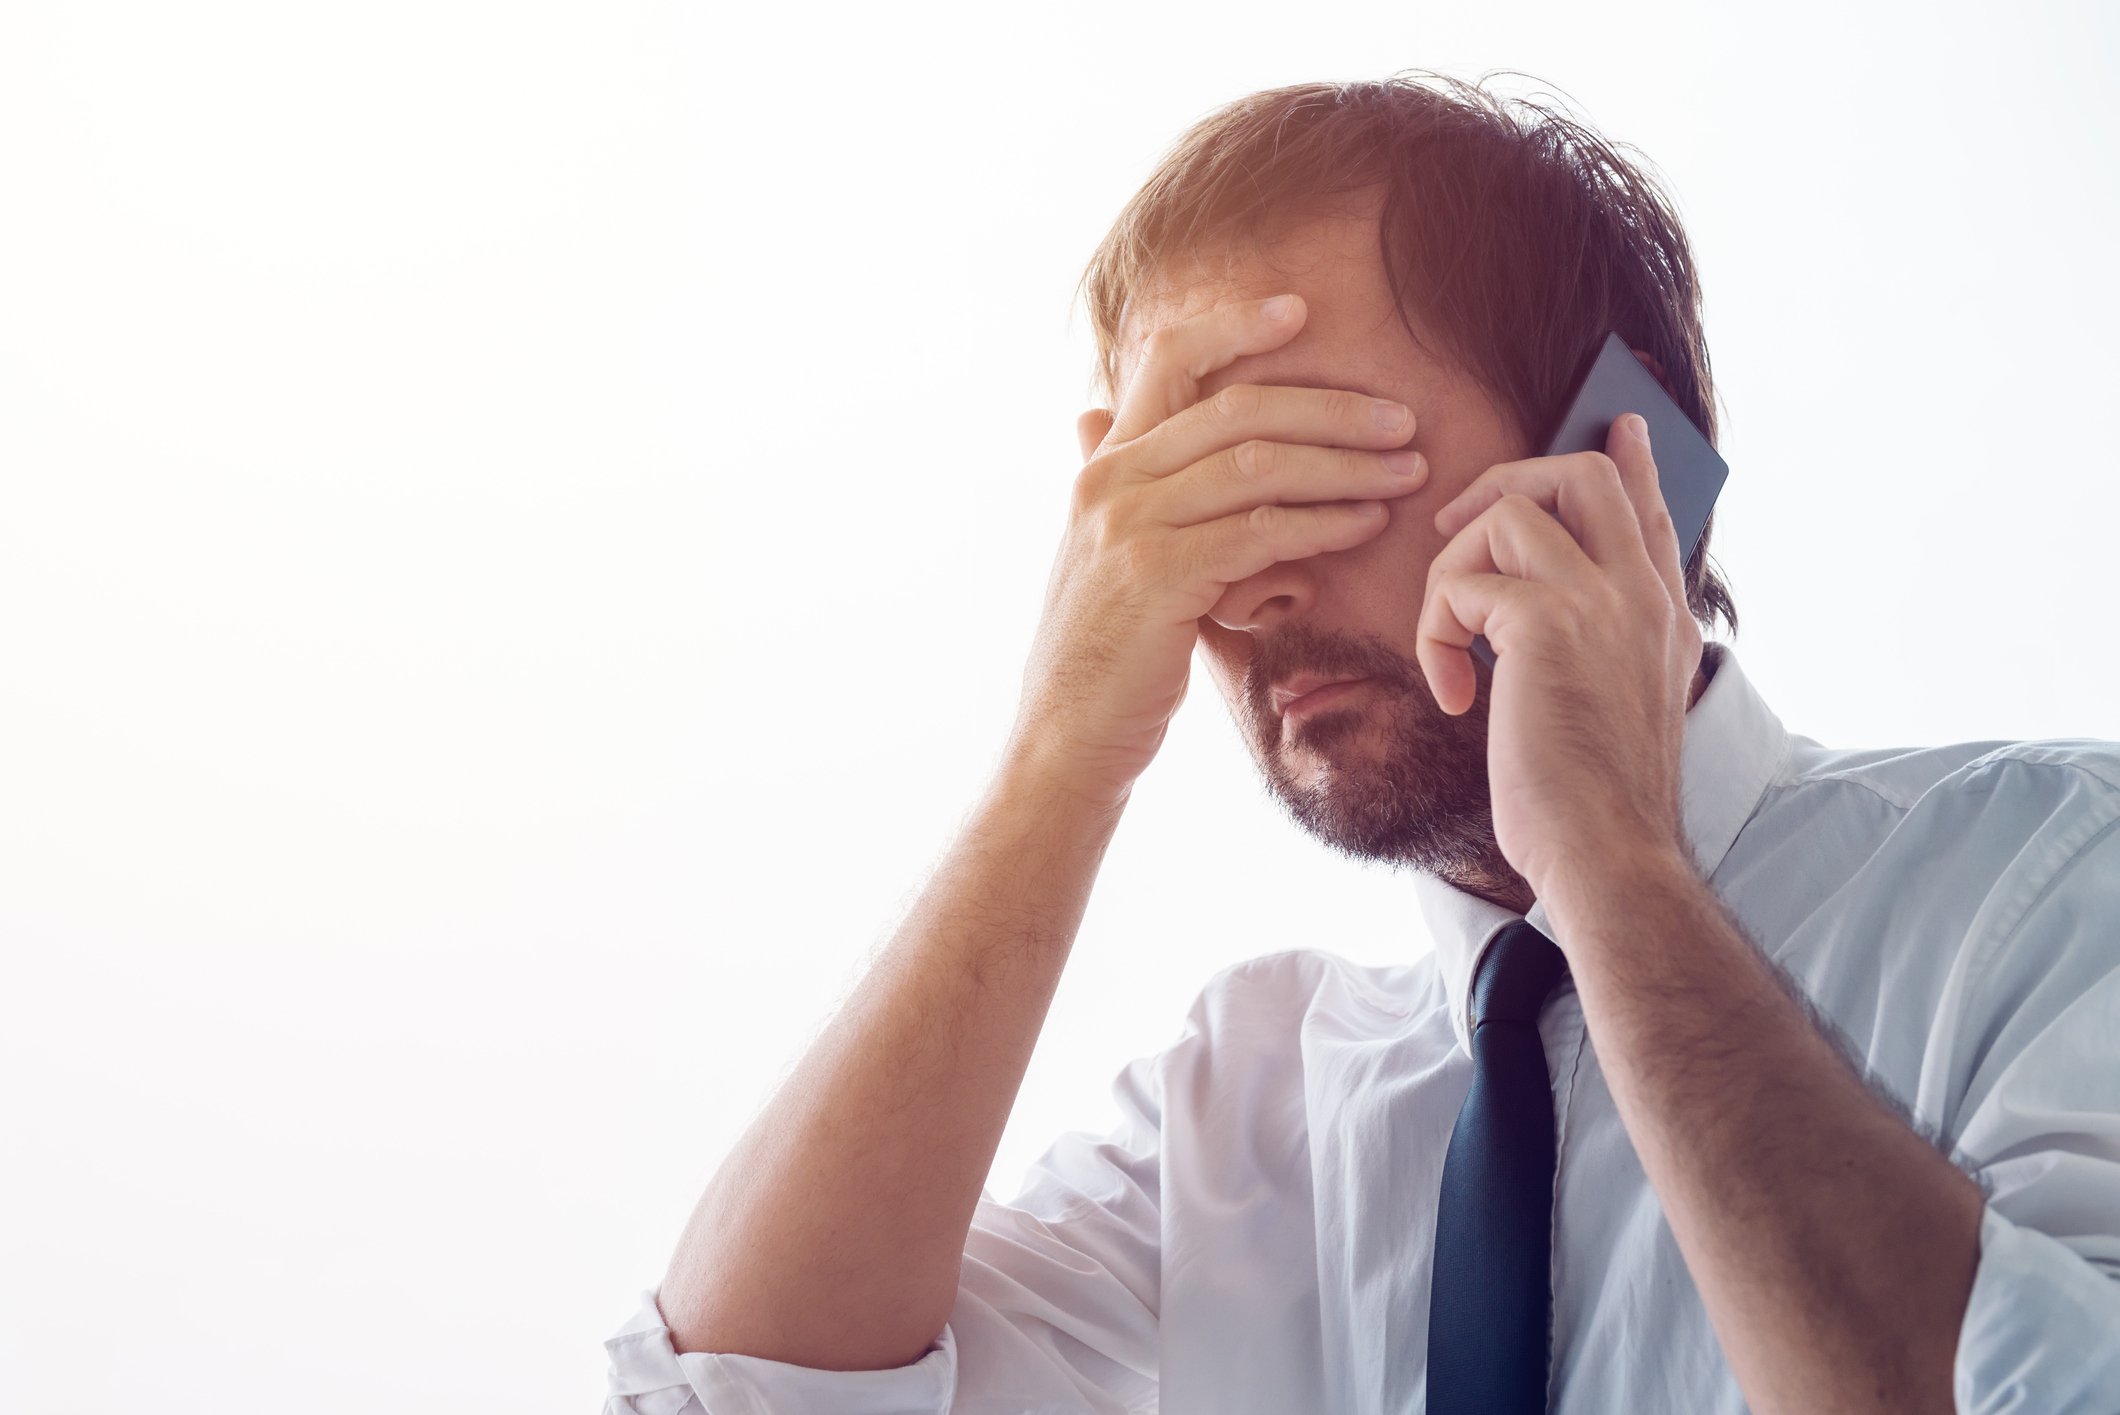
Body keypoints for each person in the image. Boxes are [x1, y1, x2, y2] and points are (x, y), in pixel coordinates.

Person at [603, 72, 2120, 1413]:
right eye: (1182, 504)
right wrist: (1059, 758)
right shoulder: (1238, 1110)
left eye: (1301, 467)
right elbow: (731, 1396)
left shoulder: (2055, 882)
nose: (1240, 582)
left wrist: (1603, 855)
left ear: (1612, 466)